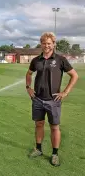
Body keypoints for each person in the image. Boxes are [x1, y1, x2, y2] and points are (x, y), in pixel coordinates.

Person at [26, 32, 78, 166]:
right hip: (37, 99)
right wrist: (28, 87)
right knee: (39, 124)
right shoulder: (36, 60)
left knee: (54, 127)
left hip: (53, 100)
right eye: (44, 43)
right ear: (41, 44)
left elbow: (74, 76)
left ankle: (55, 154)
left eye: (49, 43)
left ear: (54, 44)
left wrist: (65, 92)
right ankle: (38, 149)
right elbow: (29, 73)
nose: (46, 46)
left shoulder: (60, 59)